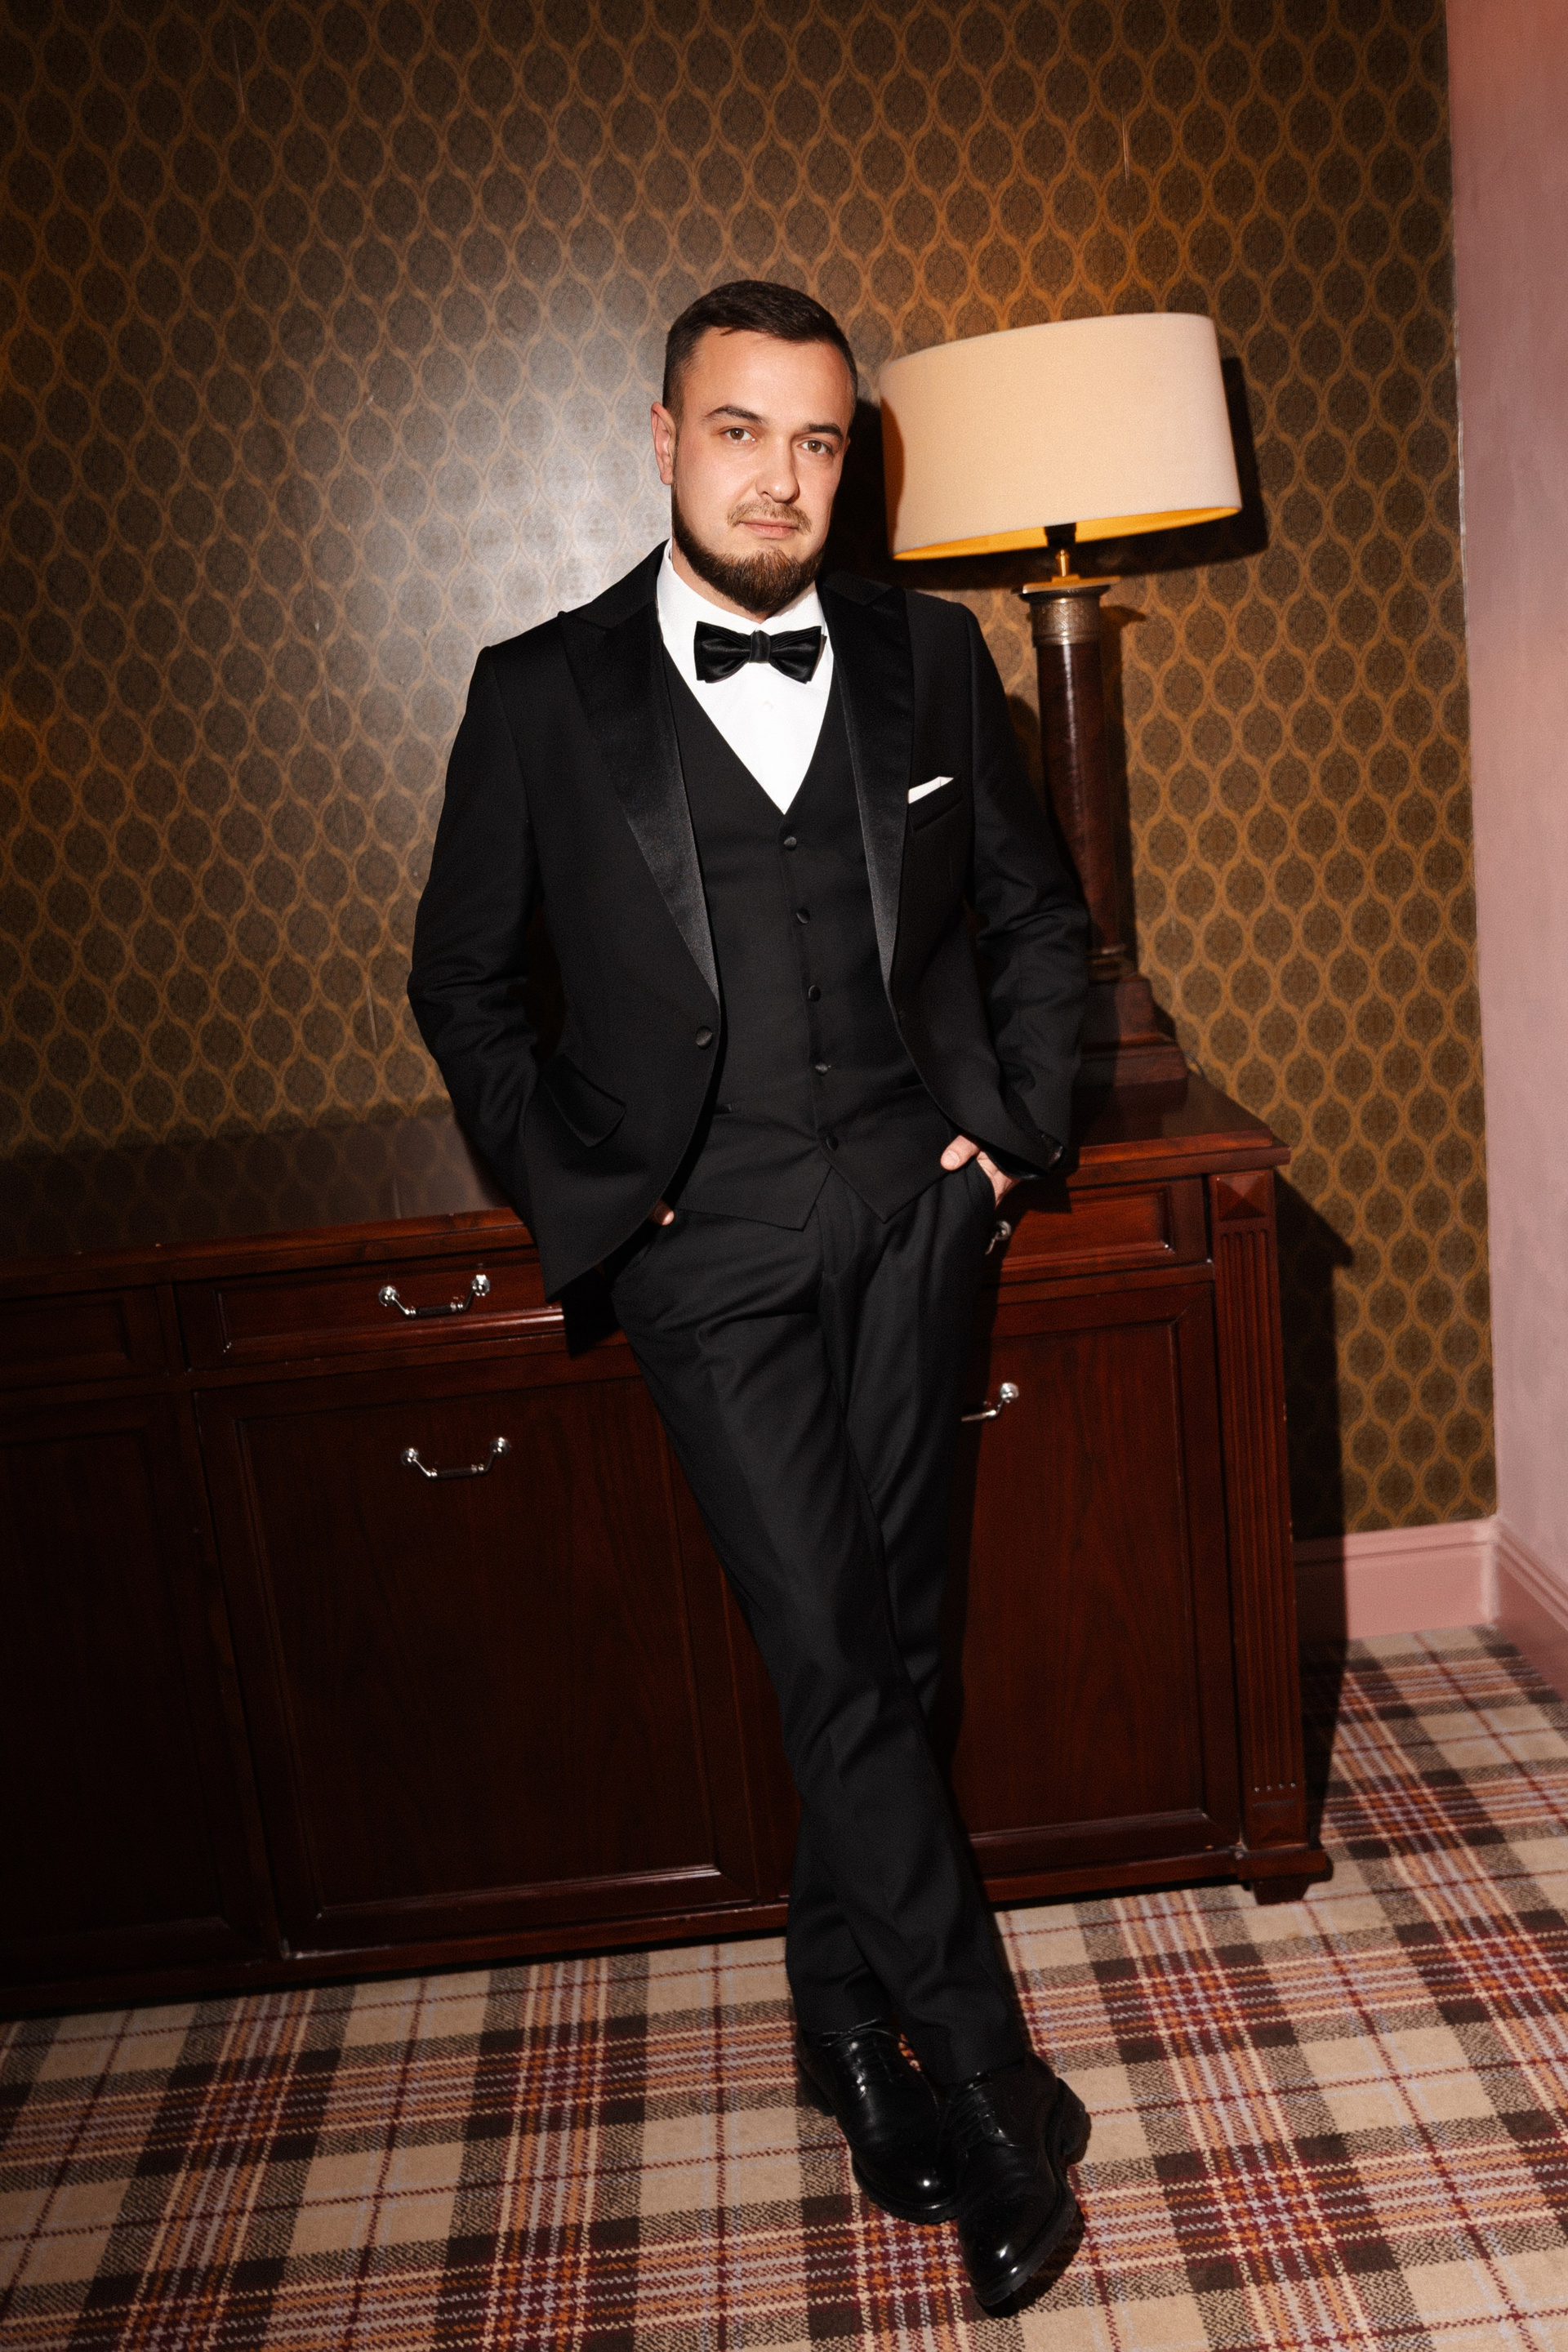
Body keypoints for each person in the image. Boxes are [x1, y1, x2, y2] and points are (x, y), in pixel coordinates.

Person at [408, 279, 1090, 2308]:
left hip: (911, 1217)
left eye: (815, 442)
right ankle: (985, 2085)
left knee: (896, 1650)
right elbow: (461, 980)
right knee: (833, 1648)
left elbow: (1040, 917)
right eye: (739, 432)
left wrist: (1009, 1137)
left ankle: (840, 2031)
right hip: (702, 1254)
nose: (779, 479)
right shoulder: (539, 694)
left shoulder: (933, 660)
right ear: (662, 438)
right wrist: (592, 1194)